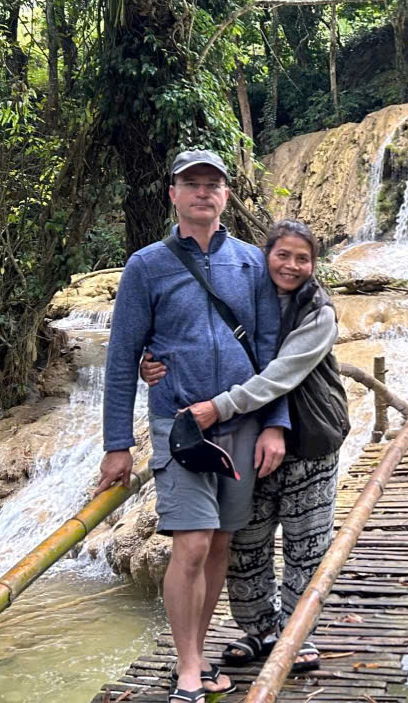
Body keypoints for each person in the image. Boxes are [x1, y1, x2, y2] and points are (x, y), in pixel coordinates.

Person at [96, 150, 289, 703]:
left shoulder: (251, 263)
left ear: (225, 196)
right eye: (191, 184)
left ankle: (198, 653)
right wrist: (116, 444)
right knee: (193, 543)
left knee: (222, 545)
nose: (203, 192)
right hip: (178, 425)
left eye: (213, 184)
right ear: (173, 194)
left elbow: (271, 353)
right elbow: (123, 357)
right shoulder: (146, 266)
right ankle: (186, 668)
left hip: (241, 423)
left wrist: (276, 423)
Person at [140, 218, 343, 675]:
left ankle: (296, 635)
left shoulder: (318, 311)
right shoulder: (246, 291)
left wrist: (220, 407)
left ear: (315, 264)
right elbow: (193, 333)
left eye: (302, 258)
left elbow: (279, 375)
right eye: (282, 255)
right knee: (246, 544)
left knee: (306, 544)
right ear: (263, 255)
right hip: (249, 438)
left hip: (308, 438)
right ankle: (259, 630)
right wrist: (153, 359)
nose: (291, 266)